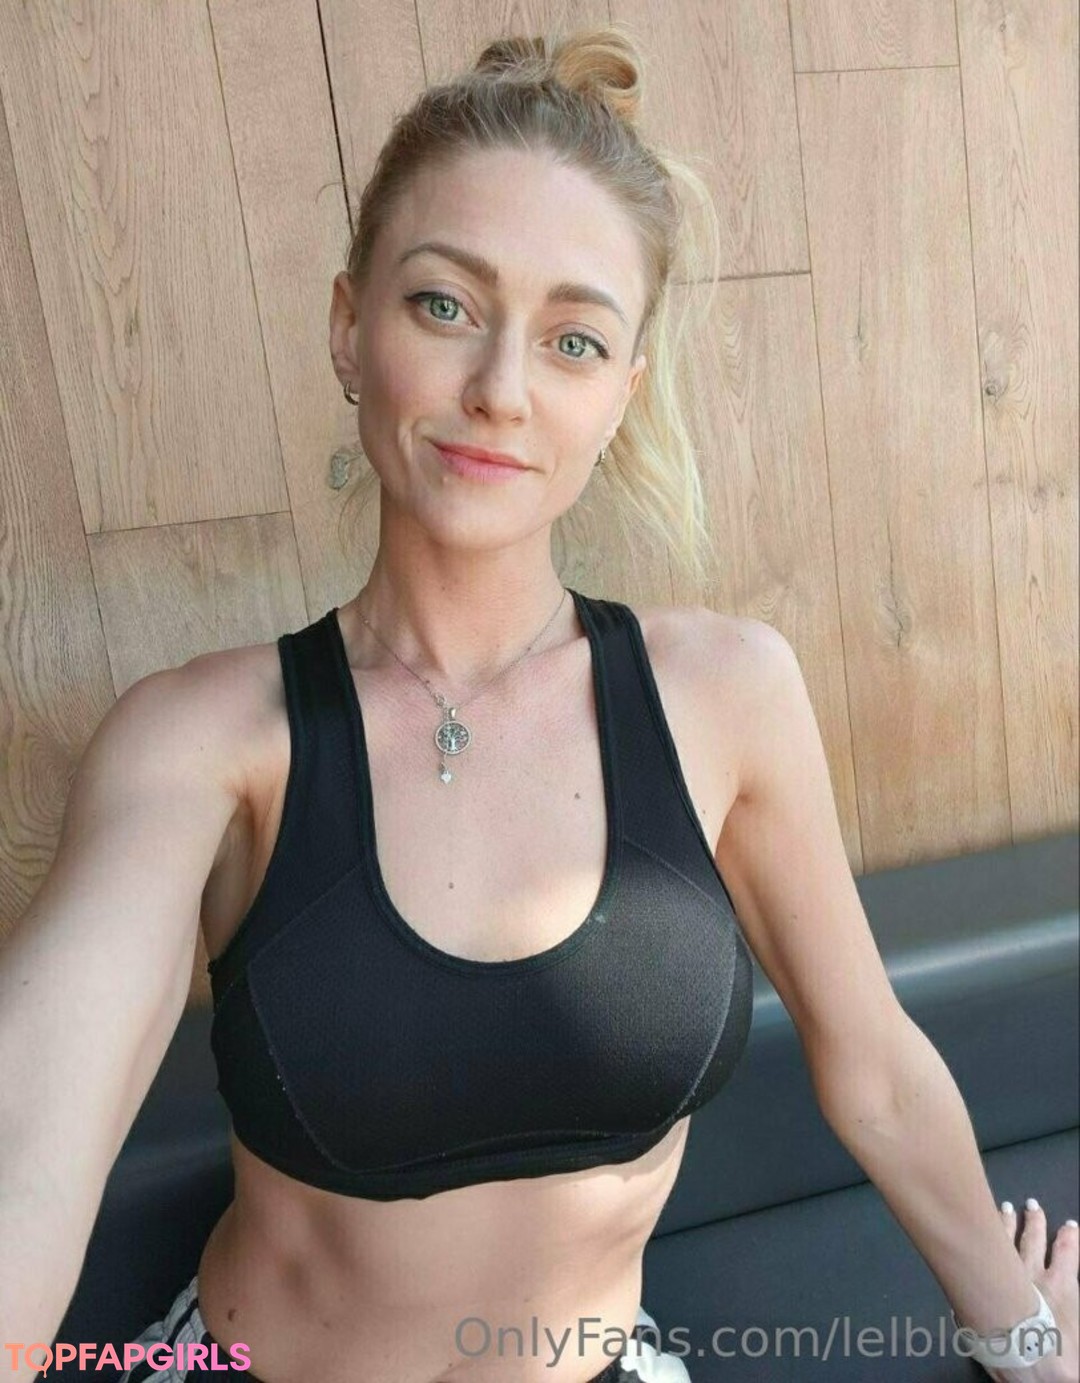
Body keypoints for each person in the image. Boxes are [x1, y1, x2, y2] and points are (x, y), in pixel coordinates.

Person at [1, 24, 1075, 1383]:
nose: (500, 391)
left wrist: (1027, 1339)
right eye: (443, 306)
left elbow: (875, 1067)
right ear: (349, 328)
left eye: (573, 340)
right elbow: (29, 1149)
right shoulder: (200, 744)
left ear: (622, 392)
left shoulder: (728, 695)